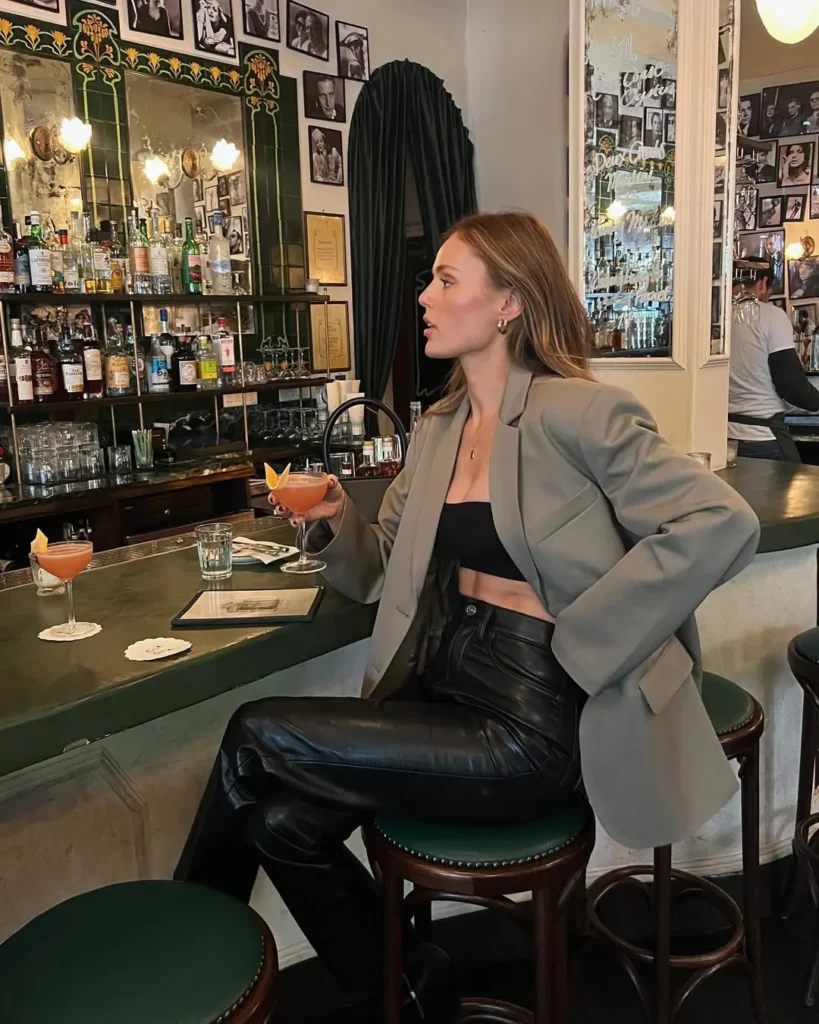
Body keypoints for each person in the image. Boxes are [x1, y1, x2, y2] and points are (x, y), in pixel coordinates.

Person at [175, 212, 760, 1024]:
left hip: (533, 718)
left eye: (446, 280)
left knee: (254, 730)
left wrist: (585, 637)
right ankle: (407, 980)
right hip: (445, 685)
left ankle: (189, 952)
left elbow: (720, 524)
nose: (423, 295)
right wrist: (330, 515)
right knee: (279, 824)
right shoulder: (439, 427)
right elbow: (378, 571)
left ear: (508, 302)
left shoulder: (579, 415)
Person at [729, 257, 819, 459]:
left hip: (721, 437)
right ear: (762, 283)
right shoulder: (772, 316)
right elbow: (792, 386)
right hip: (762, 438)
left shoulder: (715, 316)